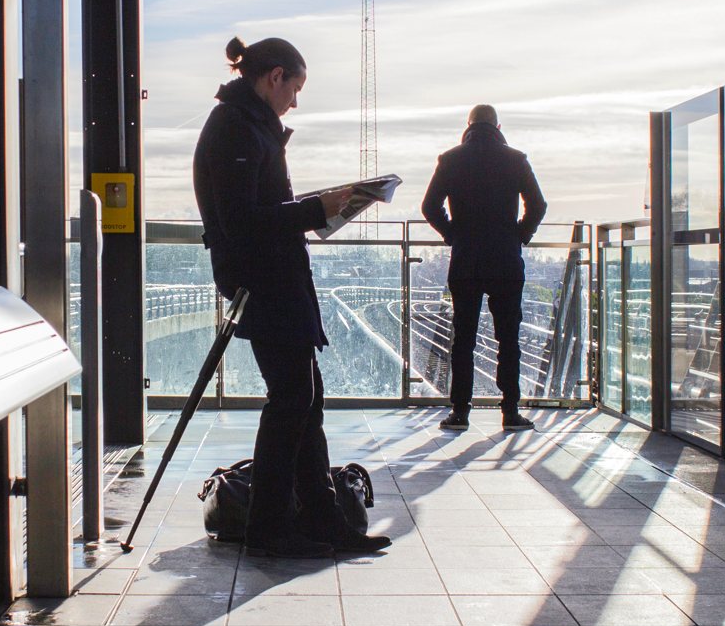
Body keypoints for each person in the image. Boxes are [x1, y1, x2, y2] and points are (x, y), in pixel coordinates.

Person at [193, 35, 392, 558]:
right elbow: (241, 221)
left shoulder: (247, 124)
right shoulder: (236, 127)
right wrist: (313, 209)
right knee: (291, 402)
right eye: (295, 88)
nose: (295, 101)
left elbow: (260, 208)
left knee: (302, 399)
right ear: (274, 76)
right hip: (263, 281)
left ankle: (317, 518)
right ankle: (274, 527)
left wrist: (320, 203)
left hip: (272, 278)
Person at [421, 104, 547, 431]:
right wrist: (520, 234)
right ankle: (510, 411)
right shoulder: (515, 159)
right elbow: (538, 205)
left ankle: (460, 411)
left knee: (463, 339)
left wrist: (453, 234)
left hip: (466, 261)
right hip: (505, 260)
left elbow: (429, 206)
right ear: (498, 126)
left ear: (468, 126)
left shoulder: (450, 160)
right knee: (508, 339)